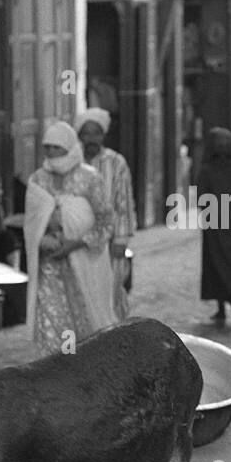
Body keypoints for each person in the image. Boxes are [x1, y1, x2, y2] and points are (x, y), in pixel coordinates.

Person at [23, 121, 116, 354]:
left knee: (88, 326)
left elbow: (105, 221)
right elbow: (32, 221)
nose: (52, 153)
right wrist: (43, 239)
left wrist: (76, 243)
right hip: (50, 265)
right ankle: (58, 371)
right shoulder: (38, 180)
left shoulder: (90, 178)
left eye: (57, 147)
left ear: (70, 147)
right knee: (54, 320)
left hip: (85, 261)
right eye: (48, 148)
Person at [76, 107, 136, 321]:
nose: (91, 138)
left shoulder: (116, 162)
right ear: (79, 135)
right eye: (86, 133)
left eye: (96, 133)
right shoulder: (73, 163)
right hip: (79, 242)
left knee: (111, 292)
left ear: (103, 135)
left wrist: (121, 238)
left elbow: (124, 201)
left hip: (110, 242)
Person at [196, 127, 231, 328]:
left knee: (215, 263)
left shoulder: (207, 170)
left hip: (215, 225)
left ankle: (221, 309)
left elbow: (202, 198)